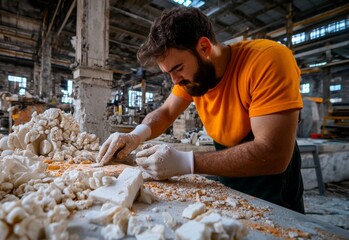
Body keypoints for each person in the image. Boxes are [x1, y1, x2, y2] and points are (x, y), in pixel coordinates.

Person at [96, 7, 304, 213]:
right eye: (168, 72)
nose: (175, 80)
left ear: (204, 47)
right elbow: (167, 112)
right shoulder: (193, 77)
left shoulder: (267, 60)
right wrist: (135, 135)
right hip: (230, 180)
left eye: (177, 69)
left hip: (273, 187)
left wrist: (187, 162)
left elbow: (273, 154)